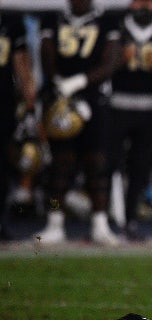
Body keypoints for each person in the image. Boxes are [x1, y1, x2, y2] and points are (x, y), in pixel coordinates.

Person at [34, 0, 122, 246]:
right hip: (60, 99)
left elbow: (112, 60)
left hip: (95, 100)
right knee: (59, 166)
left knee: (97, 164)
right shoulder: (53, 19)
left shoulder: (107, 21)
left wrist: (81, 83)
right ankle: (54, 222)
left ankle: (100, 223)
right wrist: (60, 85)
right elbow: (47, 54)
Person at [107, 0, 152, 241]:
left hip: (150, 106)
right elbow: (102, 65)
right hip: (119, 104)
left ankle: (129, 219)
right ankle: (105, 218)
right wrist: (119, 60)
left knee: (140, 166)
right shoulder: (117, 26)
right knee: (110, 163)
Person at [0, 11, 36, 241]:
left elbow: (20, 61)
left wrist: (28, 92)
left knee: (3, 163)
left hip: (3, 103)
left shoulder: (10, 20)